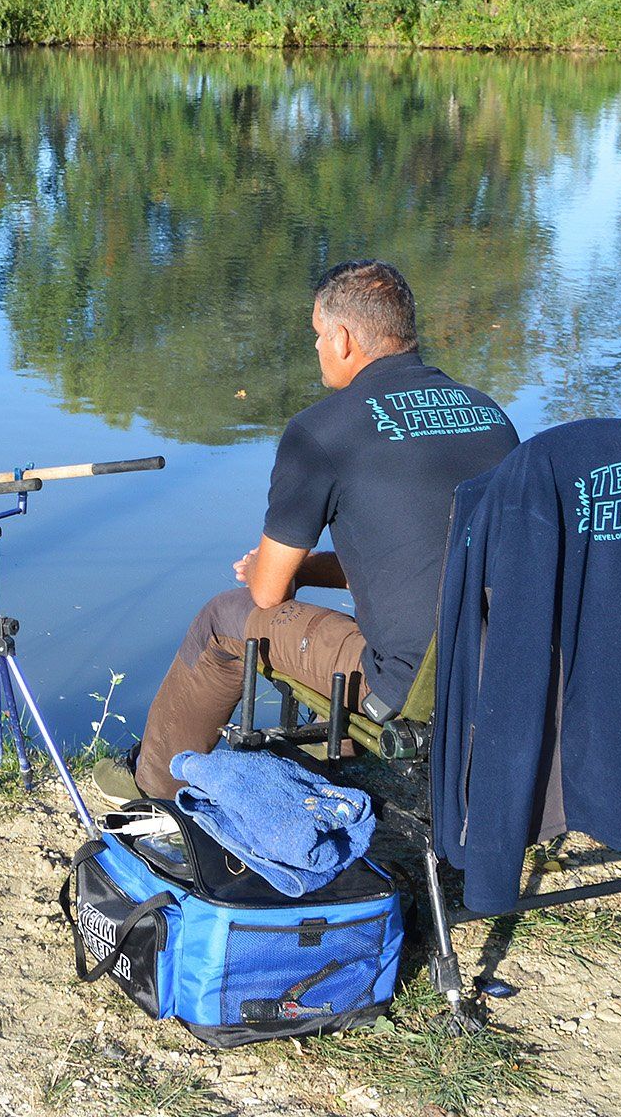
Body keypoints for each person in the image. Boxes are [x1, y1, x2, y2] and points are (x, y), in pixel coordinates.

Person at [90, 259, 520, 805]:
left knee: (224, 618)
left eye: (318, 335)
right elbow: (437, 554)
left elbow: (268, 592)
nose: (316, 348)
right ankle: (326, 760)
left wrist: (281, 571)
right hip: (506, 664)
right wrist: (313, 567)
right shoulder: (489, 416)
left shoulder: (320, 432)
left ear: (342, 338)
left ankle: (154, 785)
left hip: (413, 691)